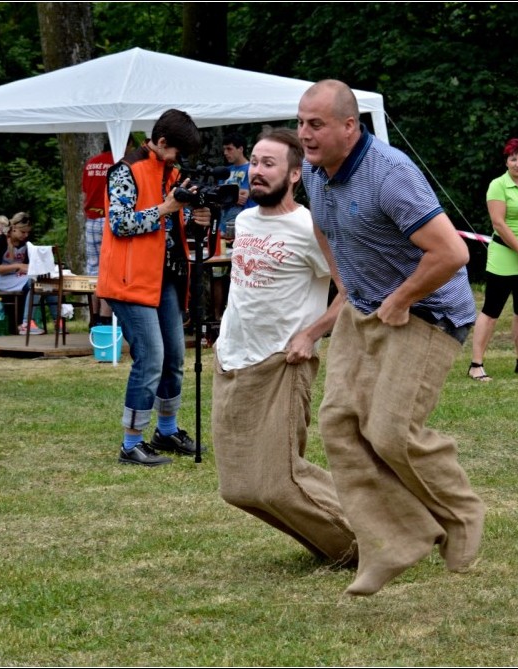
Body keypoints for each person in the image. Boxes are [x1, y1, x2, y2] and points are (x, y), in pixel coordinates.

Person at [298, 80, 484, 596]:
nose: (305, 135)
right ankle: (396, 540)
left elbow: (452, 253)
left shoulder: (389, 174)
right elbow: (322, 228)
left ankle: (461, 511)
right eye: (301, 123)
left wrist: (399, 300)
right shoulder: (316, 172)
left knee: (390, 431)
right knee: (338, 424)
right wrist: (346, 286)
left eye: (316, 124)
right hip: (365, 308)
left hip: (426, 311)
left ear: (349, 127)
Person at [212, 127, 356, 565]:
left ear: (295, 174)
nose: (256, 171)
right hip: (231, 359)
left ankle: (372, 539)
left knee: (278, 480)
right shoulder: (245, 220)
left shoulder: (312, 227)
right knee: (238, 487)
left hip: (282, 362)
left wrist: (311, 335)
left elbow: (351, 291)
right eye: (254, 162)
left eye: (268, 164)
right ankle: (336, 541)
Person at [96, 109, 209, 467]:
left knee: (174, 358)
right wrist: (167, 207)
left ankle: (167, 430)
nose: (180, 160)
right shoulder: (124, 171)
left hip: (167, 279)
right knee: (152, 360)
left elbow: (175, 223)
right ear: (161, 143)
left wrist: (196, 215)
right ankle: (131, 444)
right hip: (129, 282)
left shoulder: (171, 172)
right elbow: (120, 223)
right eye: (177, 151)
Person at [468, 138, 518, 379]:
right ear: (506, 162)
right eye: (513, 159)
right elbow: (498, 224)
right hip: (505, 256)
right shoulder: (498, 185)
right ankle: (476, 364)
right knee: (492, 310)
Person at [211, 132, 256, 322]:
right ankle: (217, 318)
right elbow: (216, 199)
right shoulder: (224, 172)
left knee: (240, 273)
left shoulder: (252, 169)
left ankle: (239, 316)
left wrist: (249, 192)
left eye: (230, 149)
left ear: (241, 149)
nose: (226, 153)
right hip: (223, 230)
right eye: (224, 150)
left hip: (246, 231)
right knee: (217, 273)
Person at [0, 212, 48, 335]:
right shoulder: (0, 241)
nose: (26, 235)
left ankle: (58, 320)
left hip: (19, 277)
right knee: (35, 282)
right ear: (14, 228)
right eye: (23, 232)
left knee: (47, 281)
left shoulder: (25, 243)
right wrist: (18, 266)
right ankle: (26, 323)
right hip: (3, 279)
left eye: (28, 232)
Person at [82, 141, 121, 326]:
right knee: (109, 269)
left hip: (91, 220)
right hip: (109, 219)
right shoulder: (119, 163)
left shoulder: (91, 163)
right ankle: (106, 318)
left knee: (93, 269)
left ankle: (94, 316)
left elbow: (85, 192)